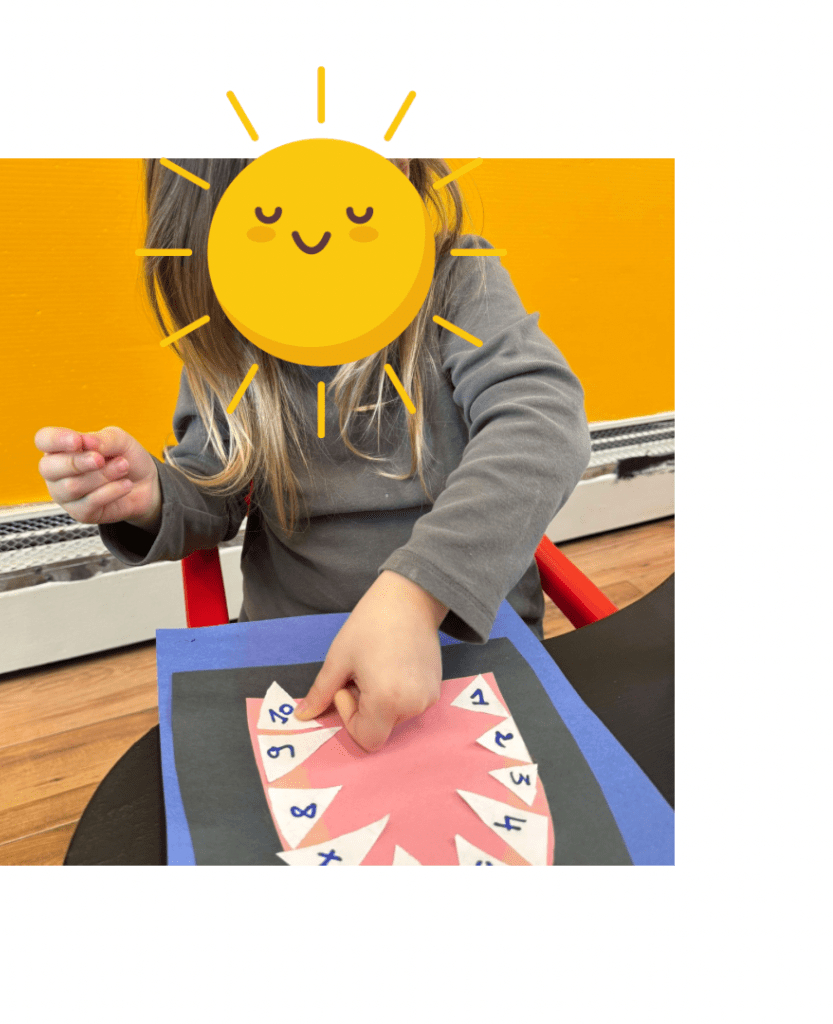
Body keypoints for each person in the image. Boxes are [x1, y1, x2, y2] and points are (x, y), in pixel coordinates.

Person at [35, 157, 591, 753]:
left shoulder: (456, 278)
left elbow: (542, 420)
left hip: (467, 637)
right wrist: (152, 499)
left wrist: (416, 595)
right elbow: (215, 488)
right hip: (295, 656)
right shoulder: (231, 327)